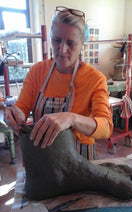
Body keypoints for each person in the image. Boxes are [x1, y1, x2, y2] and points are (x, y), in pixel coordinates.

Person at [4, 6, 113, 160]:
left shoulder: (95, 79)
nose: (62, 50)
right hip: (42, 159)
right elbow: (21, 106)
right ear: (50, 38)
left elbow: (106, 127)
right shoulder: (37, 72)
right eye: (57, 40)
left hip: (79, 158)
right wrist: (15, 114)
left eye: (71, 43)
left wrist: (71, 118)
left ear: (82, 43)